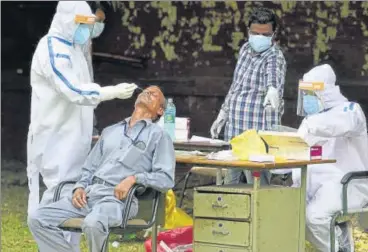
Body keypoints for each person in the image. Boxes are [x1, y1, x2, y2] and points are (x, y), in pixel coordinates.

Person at [27, 1, 137, 249]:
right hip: (56, 141)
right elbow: (74, 90)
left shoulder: (75, 48)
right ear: (69, 21)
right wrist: (111, 92)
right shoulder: (52, 49)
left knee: (77, 198)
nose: (89, 30)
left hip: (75, 140)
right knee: (59, 201)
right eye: (84, 24)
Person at [28, 85, 175, 252]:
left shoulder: (159, 136)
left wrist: (134, 179)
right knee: (37, 218)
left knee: (93, 223)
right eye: (146, 91)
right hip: (89, 195)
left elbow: (166, 178)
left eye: (154, 94)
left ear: (161, 110)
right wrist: (79, 187)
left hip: (117, 200)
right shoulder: (110, 131)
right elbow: (88, 169)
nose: (147, 93)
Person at [292, 64, 368, 252]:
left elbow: (339, 124)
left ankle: (340, 249)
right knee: (290, 212)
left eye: (311, 94)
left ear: (326, 92)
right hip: (313, 184)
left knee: (314, 217)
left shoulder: (350, 111)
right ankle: (340, 244)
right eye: (306, 94)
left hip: (347, 185)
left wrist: (312, 125)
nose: (308, 99)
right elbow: (296, 149)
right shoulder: (311, 120)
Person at [210, 7, 287, 185]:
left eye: (265, 34)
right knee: (229, 189)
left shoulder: (274, 56)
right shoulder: (245, 49)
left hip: (257, 142)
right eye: (255, 33)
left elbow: (273, 76)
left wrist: (272, 89)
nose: (260, 38)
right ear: (248, 31)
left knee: (258, 191)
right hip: (235, 133)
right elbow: (236, 86)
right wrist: (224, 113)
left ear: (273, 34)